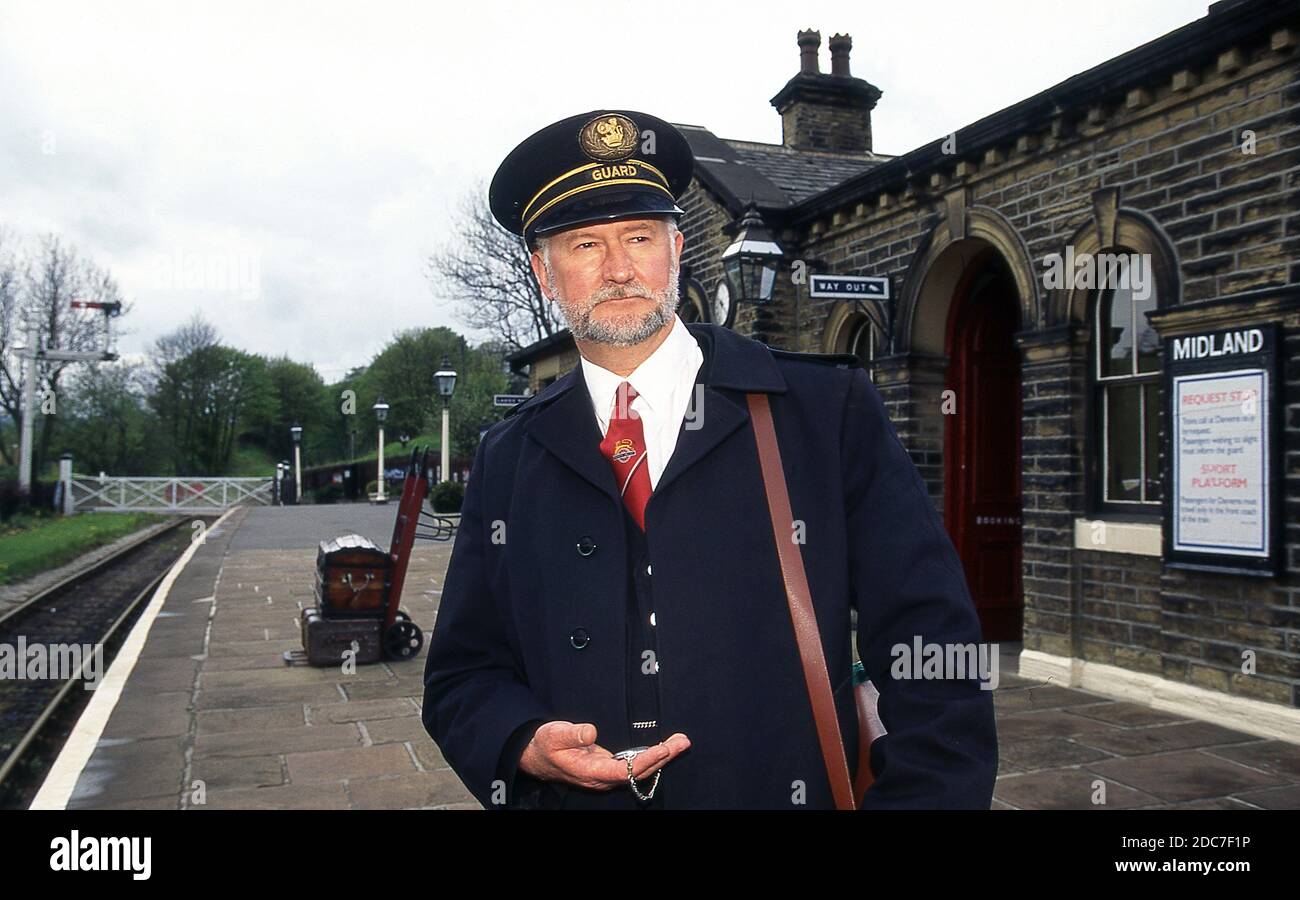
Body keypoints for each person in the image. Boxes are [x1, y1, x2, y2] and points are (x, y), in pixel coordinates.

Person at [422, 109, 998, 809]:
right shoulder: (507, 457)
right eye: (584, 246)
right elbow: (462, 675)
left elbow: (933, 648)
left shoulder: (822, 411)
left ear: (676, 250)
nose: (618, 268)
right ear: (545, 274)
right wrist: (521, 743)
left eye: (638, 237)